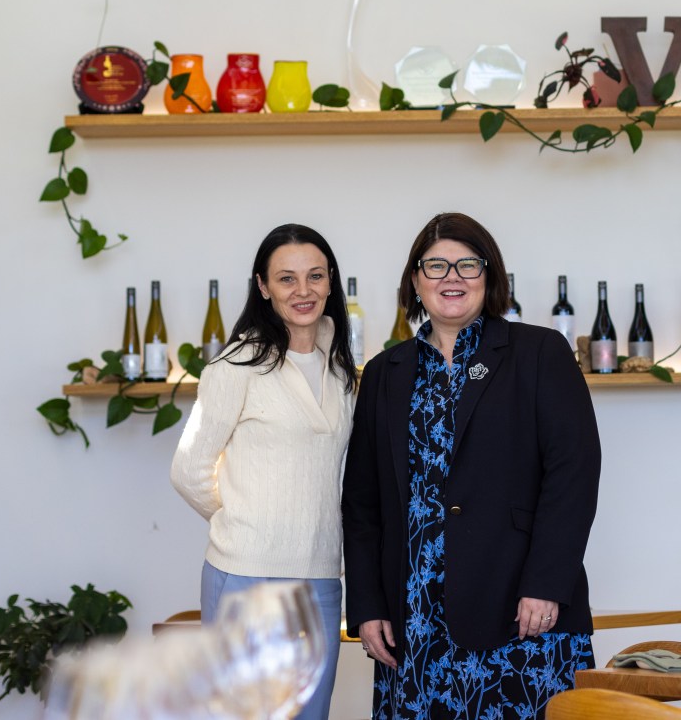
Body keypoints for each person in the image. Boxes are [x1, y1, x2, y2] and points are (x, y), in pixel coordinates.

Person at [343, 212, 601, 720]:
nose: (452, 278)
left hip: (520, 612)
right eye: (436, 266)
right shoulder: (383, 374)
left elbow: (574, 473)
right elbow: (361, 503)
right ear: (415, 281)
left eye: (468, 265)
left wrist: (547, 584)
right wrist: (367, 607)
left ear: (490, 276)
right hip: (412, 620)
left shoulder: (539, 353)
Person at [171, 224, 357, 720]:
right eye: (287, 279)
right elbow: (188, 470)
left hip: (320, 577)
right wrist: (246, 522)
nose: (303, 291)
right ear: (263, 286)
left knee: (310, 713)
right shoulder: (236, 366)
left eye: (315, 276)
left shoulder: (340, 368)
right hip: (244, 576)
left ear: (331, 281)